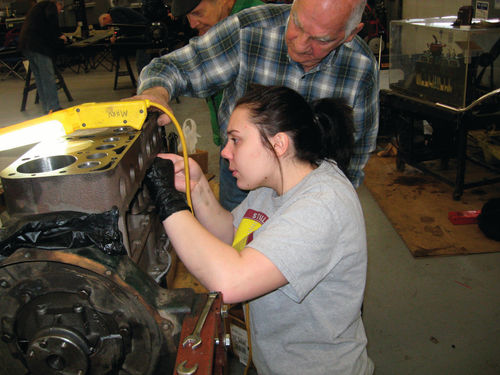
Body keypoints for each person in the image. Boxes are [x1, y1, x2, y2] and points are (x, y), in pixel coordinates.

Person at [144, 85, 373, 375]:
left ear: (278, 145)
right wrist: (198, 187)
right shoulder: (275, 182)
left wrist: (168, 203)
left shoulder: (323, 204)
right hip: (275, 362)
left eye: (236, 141)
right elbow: (232, 235)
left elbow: (230, 282)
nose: (225, 152)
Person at [135, 0, 379, 211]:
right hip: (241, 179)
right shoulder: (250, 30)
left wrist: (339, 200)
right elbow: (175, 67)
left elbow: (357, 151)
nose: (301, 44)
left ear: (350, 34)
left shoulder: (360, 67)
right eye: (297, 24)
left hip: (313, 188)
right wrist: (156, 91)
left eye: (321, 39)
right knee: (239, 242)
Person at [169, 0, 264, 148]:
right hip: (229, 138)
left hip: (258, 147)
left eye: (197, 13)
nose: (192, 24)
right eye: (188, 17)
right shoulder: (217, 23)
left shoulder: (256, 22)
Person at [19, 0, 68, 113]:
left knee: (40, 78)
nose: (59, 12)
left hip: (27, 45)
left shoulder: (38, 7)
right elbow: (52, 22)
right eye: (60, 9)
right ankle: (54, 107)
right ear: (58, 4)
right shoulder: (50, 6)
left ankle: (47, 106)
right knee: (48, 77)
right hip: (39, 47)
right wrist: (59, 36)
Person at [99, 7, 151, 75]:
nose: (109, 26)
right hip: (142, 30)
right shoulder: (115, 12)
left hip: (143, 31)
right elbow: (124, 26)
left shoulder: (113, 13)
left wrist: (116, 36)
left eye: (107, 25)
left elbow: (124, 26)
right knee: (141, 60)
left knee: (141, 61)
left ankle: (144, 80)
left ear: (105, 18)